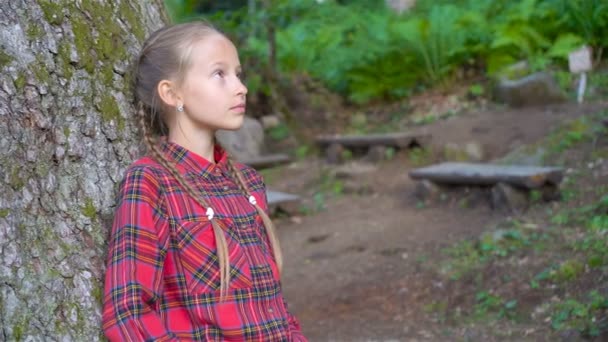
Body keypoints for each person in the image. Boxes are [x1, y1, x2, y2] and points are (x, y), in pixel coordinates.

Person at [101, 21, 307, 341]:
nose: (241, 87)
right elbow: (128, 315)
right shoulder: (152, 182)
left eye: (238, 74)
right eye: (219, 74)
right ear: (172, 93)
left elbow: (274, 307)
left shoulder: (248, 183)